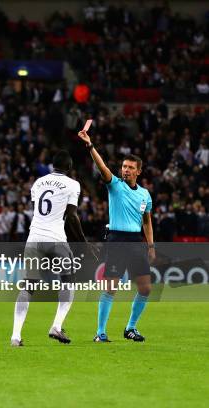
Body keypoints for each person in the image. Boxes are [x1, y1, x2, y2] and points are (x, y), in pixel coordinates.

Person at [78, 129, 155, 343]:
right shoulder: (115, 186)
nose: (126, 170)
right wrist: (90, 146)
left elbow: (147, 221)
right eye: (124, 166)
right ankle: (100, 332)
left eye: (131, 167)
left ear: (139, 171)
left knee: (146, 288)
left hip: (136, 242)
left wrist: (150, 246)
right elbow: (102, 166)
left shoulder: (144, 194)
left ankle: (130, 328)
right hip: (117, 240)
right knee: (111, 287)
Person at [11, 150, 89, 346]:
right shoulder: (73, 184)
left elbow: (39, 208)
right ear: (70, 168)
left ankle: (15, 336)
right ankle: (56, 325)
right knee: (68, 282)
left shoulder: (38, 183)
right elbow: (71, 216)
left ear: (53, 166)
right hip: (56, 239)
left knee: (29, 286)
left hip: (34, 237)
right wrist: (83, 242)